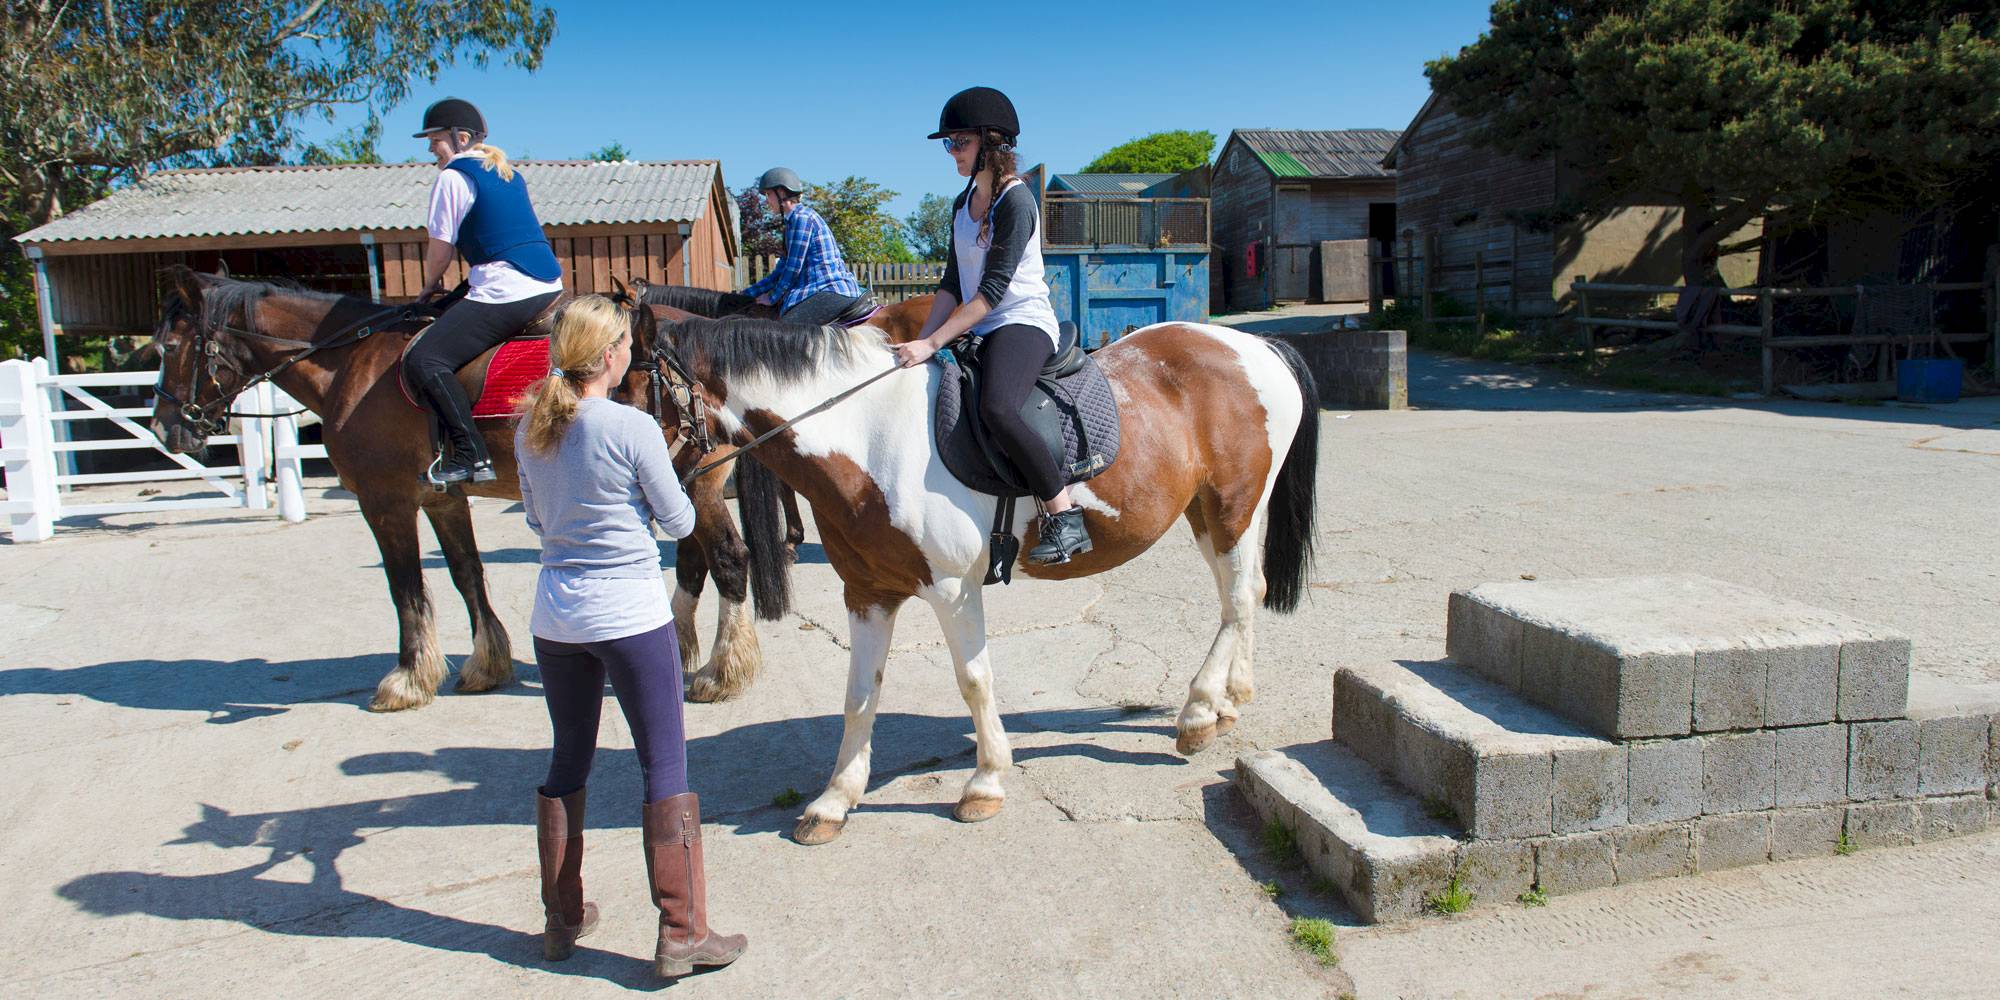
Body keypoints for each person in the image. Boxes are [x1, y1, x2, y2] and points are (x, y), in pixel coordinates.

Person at [515, 295, 748, 978]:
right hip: (627, 614)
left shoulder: (531, 423)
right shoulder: (633, 427)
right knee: (664, 767)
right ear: (613, 355)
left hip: (556, 616)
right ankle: (682, 932)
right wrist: (647, 495)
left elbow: (535, 520)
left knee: (568, 760)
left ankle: (561, 919)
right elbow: (681, 523)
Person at [891, 86, 1090, 564]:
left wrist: (936, 340)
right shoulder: (962, 204)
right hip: (980, 322)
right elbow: (951, 284)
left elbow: (992, 292)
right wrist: (921, 342)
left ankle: (1064, 515)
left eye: (958, 142)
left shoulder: (1016, 202)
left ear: (991, 142)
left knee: (1000, 408)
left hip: (1021, 320)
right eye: (949, 144)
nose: (952, 152)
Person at [405, 97, 565, 486]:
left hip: (506, 289)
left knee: (424, 360)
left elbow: (440, 247)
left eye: (435, 139)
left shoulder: (452, 177)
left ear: (460, 138)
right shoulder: (508, 173)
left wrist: (427, 287)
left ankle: (469, 454)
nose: (430, 148)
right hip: (546, 283)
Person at [740, 167, 868, 326]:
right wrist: (745, 295)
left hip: (829, 289)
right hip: (818, 290)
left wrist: (772, 297)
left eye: (768, 194)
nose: (766, 201)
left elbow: (793, 268)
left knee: (785, 333)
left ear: (781, 192)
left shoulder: (802, 218)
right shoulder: (791, 223)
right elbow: (781, 270)